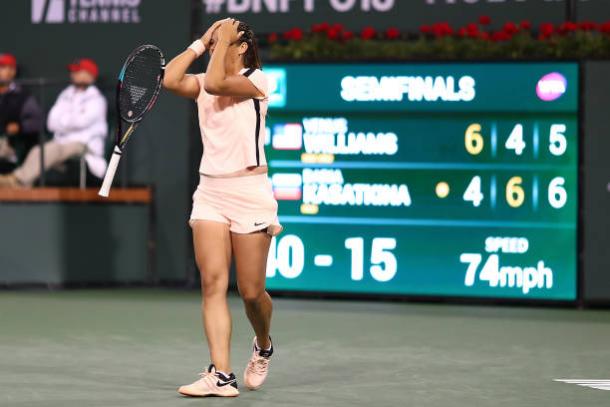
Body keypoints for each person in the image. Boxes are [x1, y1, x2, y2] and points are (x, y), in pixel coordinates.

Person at [163, 18, 282, 397]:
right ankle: (222, 374)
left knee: (251, 293)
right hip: (210, 192)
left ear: (243, 46)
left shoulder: (258, 81)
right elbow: (169, 79)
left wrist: (226, 37)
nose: (217, 45)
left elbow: (216, 82)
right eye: (214, 41)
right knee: (213, 284)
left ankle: (263, 343)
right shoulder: (202, 81)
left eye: (224, 41)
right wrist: (202, 41)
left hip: (250, 192)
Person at [0, 58, 108, 187]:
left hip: (85, 144)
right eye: (73, 71)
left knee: (52, 149)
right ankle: (22, 182)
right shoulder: (66, 94)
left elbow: (80, 122)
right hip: (62, 141)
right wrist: (69, 120)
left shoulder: (96, 99)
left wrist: (63, 121)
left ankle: (18, 180)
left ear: (90, 75)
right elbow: (51, 122)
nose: (73, 74)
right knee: (38, 150)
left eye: (78, 72)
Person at [0, 53, 43, 170]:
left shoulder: (22, 95)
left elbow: (38, 121)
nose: (4, 71)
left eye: (6, 68)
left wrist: (20, 126)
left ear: (13, 71)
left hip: (9, 144)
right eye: (2, 67)